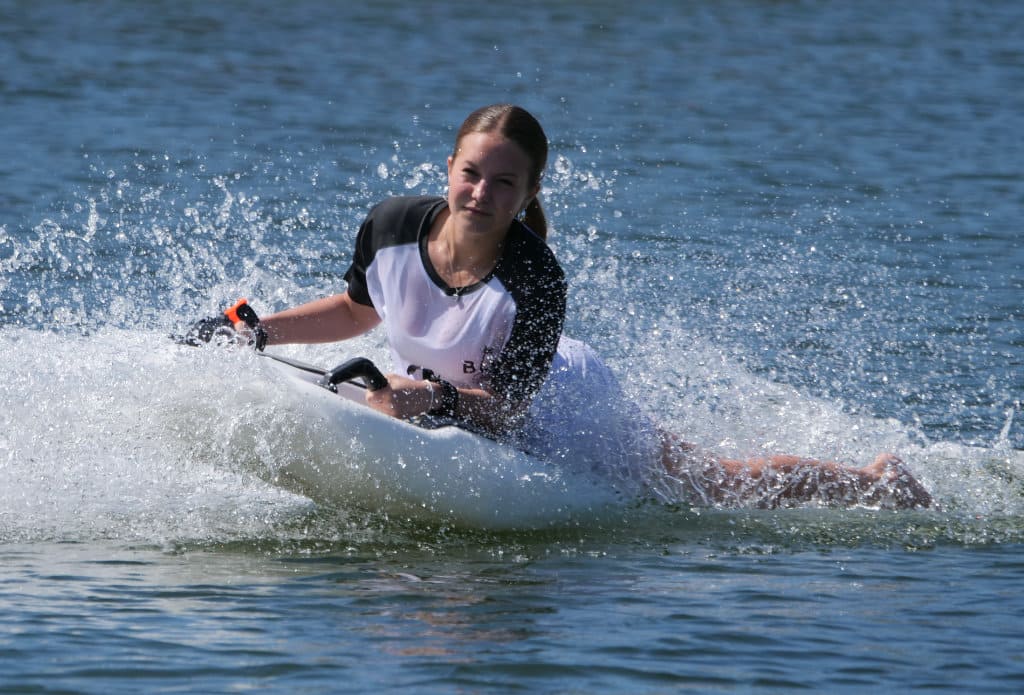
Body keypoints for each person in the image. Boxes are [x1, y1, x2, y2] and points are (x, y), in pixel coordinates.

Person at [231, 103, 931, 510]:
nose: (481, 192)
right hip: (441, 394)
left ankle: (873, 481)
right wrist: (259, 331)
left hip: (562, 405)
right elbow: (357, 311)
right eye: (470, 173)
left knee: (706, 483)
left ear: (529, 190)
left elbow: (508, 410)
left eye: (504, 183)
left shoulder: (535, 278)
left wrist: (431, 395)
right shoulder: (389, 226)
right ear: (447, 168)